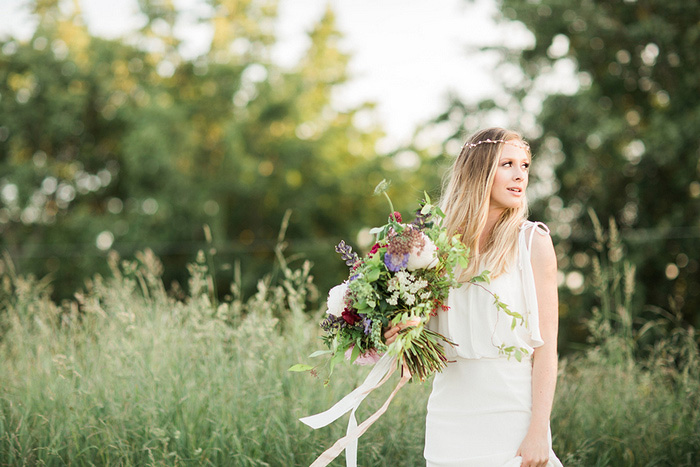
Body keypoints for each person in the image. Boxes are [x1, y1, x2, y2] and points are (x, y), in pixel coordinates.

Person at [384, 127, 563, 467]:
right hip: (448, 422)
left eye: (524, 166)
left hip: (513, 418)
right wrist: (398, 334)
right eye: (507, 164)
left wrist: (539, 430)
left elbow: (547, 349)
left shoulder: (533, 243)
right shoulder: (430, 248)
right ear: (479, 171)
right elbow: (421, 339)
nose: (520, 175)